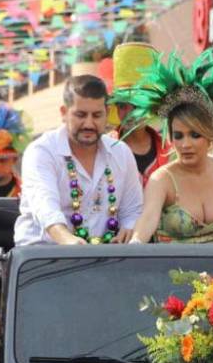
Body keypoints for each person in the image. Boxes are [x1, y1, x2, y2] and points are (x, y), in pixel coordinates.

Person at [124, 50, 213, 244]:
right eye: (178, 136)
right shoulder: (162, 180)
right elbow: (148, 219)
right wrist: (136, 243)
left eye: (195, 135)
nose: (185, 144)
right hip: (170, 271)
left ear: (210, 136)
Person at [14, 75, 144, 245]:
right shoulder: (41, 151)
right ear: (63, 113)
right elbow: (46, 208)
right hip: (43, 259)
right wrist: (68, 241)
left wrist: (129, 230)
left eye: (97, 115)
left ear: (107, 113)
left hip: (105, 259)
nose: (89, 124)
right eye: (81, 115)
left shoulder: (121, 153)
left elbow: (133, 210)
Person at [107, 42, 173, 186]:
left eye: (137, 106)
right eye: (122, 106)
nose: (129, 114)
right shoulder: (104, 150)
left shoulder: (170, 152)